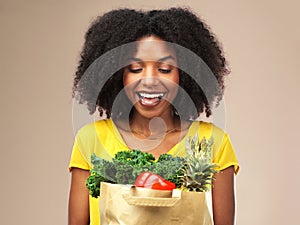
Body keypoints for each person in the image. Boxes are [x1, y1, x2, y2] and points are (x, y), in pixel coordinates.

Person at [68, 7, 239, 225]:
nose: (149, 80)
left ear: (184, 75)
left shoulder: (213, 143)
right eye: (136, 68)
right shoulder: (90, 139)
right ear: (118, 75)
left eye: (165, 69)